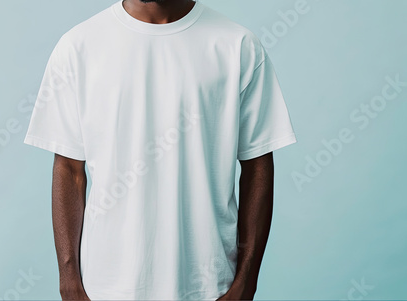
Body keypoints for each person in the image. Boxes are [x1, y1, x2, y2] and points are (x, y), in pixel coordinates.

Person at [23, 0, 297, 300]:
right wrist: (68, 278)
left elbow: (258, 165)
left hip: (209, 287)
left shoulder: (238, 46)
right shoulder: (78, 47)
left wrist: (246, 280)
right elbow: (69, 168)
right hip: (105, 287)